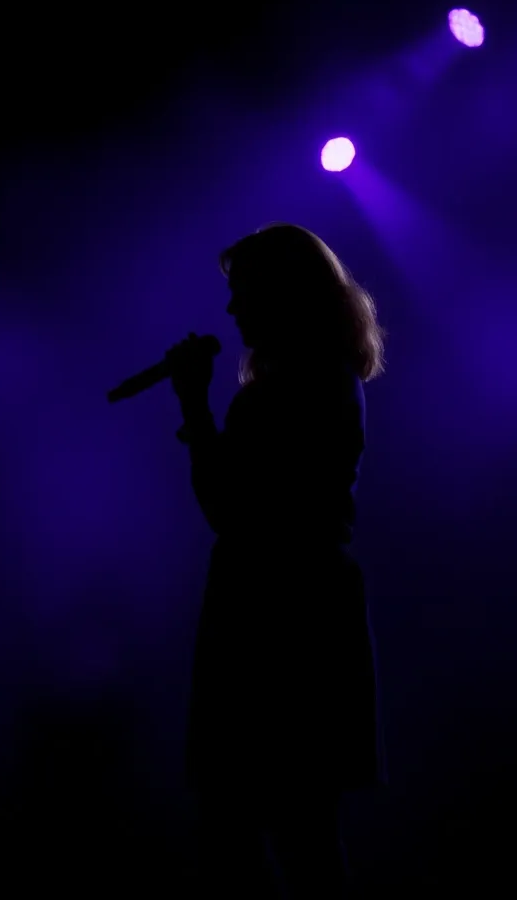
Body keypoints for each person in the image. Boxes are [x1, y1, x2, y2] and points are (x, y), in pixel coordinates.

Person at [165, 223, 387, 897]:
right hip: (300, 601)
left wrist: (195, 406)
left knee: (266, 822)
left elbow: (232, 509)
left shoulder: (297, 389)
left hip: (276, 609)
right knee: (295, 822)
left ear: (282, 294)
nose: (232, 308)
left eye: (244, 291)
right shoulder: (325, 380)